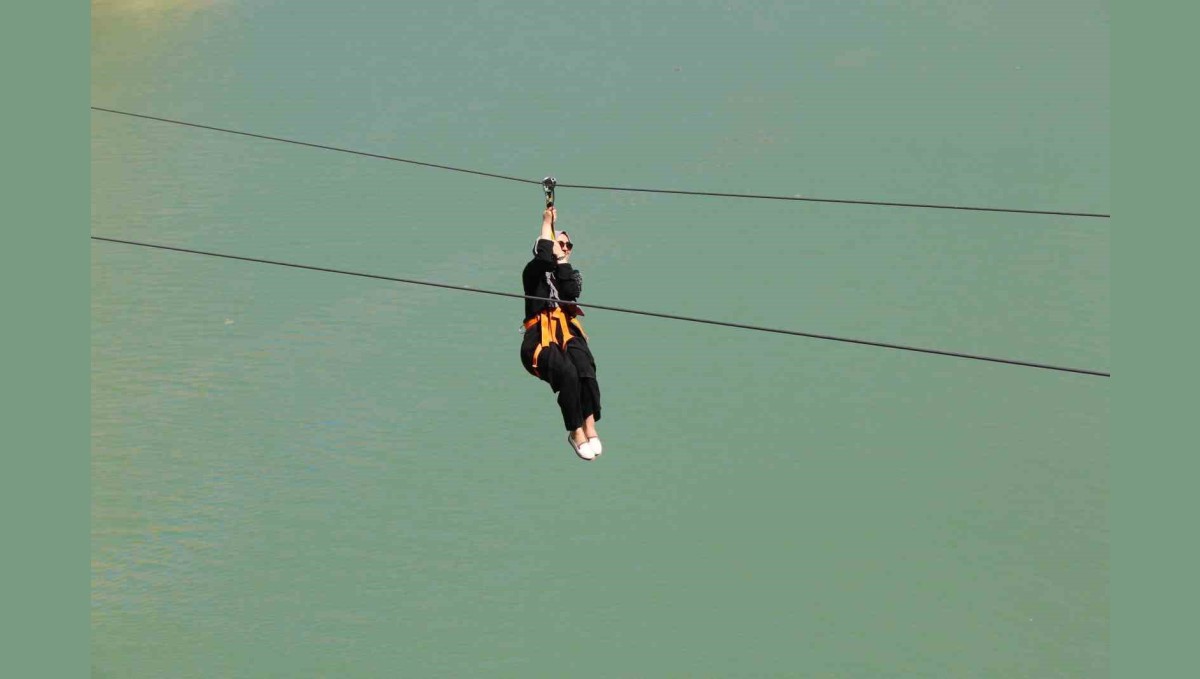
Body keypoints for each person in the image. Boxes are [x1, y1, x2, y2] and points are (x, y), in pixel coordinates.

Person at [520, 206, 603, 461]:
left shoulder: (567, 274)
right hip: (540, 339)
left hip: (567, 331)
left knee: (585, 367)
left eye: (568, 245)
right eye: (560, 243)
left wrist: (563, 261)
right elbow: (544, 259)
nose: (564, 247)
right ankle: (575, 431)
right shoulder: (532, 273)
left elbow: (570, 291)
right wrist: (547, 223)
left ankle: (590, 425)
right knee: (567, 373)